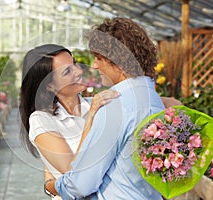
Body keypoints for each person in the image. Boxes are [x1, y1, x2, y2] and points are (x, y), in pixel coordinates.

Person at [44, 17, 169, 199]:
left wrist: (52, 186)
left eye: (99, 58)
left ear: (117, 61)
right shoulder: (152, 98)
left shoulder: (114, 106)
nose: (94, 65)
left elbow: (81, 185)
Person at [19, 44, 120, 199]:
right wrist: (91, 118)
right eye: (67, 71)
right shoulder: (41, 120)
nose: (79, 71)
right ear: (50, 86)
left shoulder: (95, 103)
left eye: (74, 63)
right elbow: (75, 174)